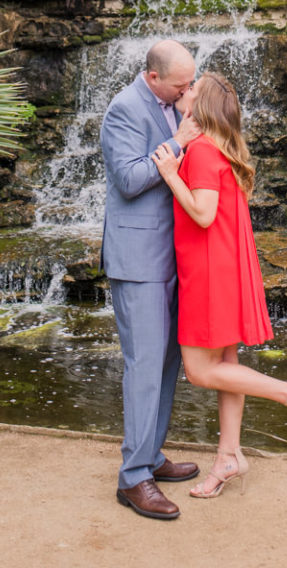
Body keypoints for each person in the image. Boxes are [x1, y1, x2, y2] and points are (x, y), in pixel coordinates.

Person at [151, 70, 287, 499]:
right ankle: (228, 457)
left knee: (200, 372)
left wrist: (168, 171)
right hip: (228, 270)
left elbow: (202, 214)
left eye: (192, 87)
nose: (185, 89)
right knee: (227, 367)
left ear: (204, 104)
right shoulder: (222, 150)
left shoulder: (197, 152)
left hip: (208, 274)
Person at [100, 39, 202, 521]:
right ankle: (133, 478)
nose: (190, 90)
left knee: (166, 362)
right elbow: (129, 178)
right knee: (143, 366)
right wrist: (180, 142)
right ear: (154, 77)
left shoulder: (171, 100)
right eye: (183, 83)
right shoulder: (123, 109)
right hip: (138, 259)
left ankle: (151, 454)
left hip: (174, 256)